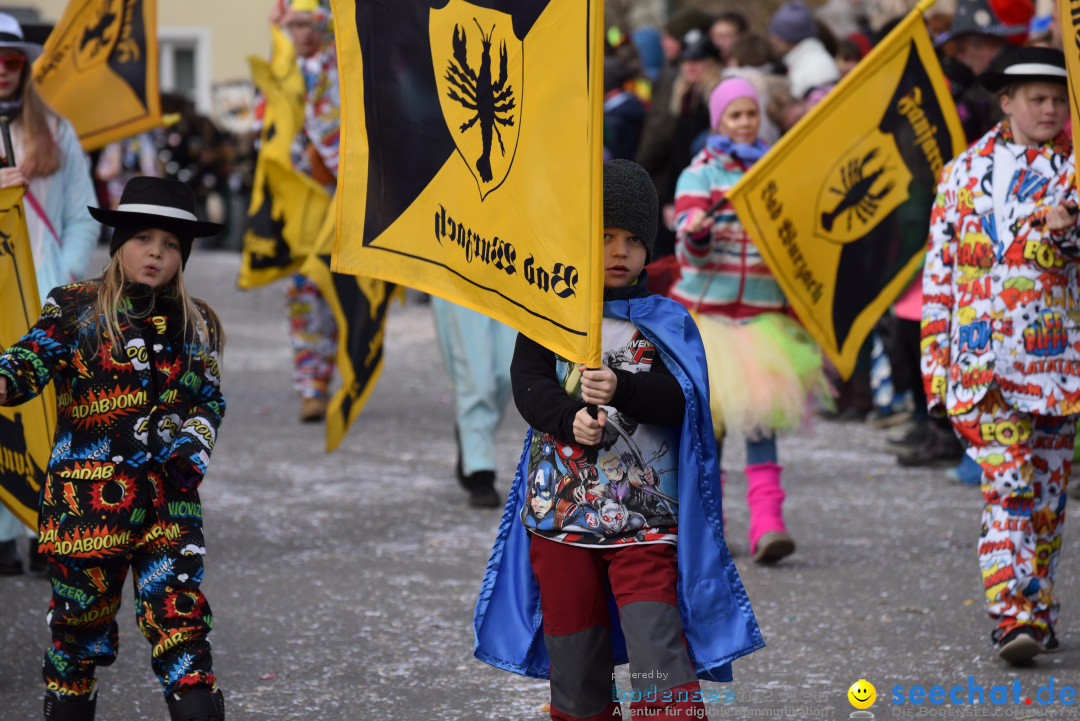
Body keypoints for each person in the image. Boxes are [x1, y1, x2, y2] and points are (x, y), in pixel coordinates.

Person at [474, 160, 762, 720]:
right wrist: (568, 418)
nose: (619, 250)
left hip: (644, 516)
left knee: (657, 648)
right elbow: (528, 386)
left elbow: (682, 403)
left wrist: (627, 388)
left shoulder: (668, 321)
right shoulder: (548, 314)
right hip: (559, 516)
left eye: (632, 238)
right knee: (576, 656)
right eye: (604, 236)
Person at [0, 176, 227, 720]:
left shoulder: (196, 325)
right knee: (78, 635)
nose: (156, 252)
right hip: (86, 512)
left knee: (183, 629)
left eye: (171, 244)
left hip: (169, 504)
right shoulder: (76, 309)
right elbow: (29, 359)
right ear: (117, 241)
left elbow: (209, 401)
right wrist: (6, 378)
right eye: (143, 237)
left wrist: (191, 449)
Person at [921, 47, 1079, 664]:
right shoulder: (960, 173)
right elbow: (940, 276)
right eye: (1037, 97)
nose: (1049, 108)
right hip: (982, 369)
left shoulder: (1074, 169)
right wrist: (935, 367)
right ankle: (1011, 614)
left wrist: (1068, 229)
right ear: (1006, 101)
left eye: (1058, 98)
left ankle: (1037, 611)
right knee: (1007, 488)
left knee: (1046, 501)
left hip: (1057, 365)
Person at [672, 78, 828, 564]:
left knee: (762, 426)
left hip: (762, 321)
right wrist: (697, 232)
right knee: (710, 432)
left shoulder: (774, 169)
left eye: (751, 114)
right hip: (710, 321)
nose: (744, 123)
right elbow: (687, 240)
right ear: (718, 120)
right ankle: (710, 528)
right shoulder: (701, 173)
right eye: (734, 115)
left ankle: (768, 525)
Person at [0, 12, 97, 576]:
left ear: (26, 66)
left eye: (12, 60)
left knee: (53, 411)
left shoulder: (57, 131)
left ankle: (47, 527)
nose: (4, 72)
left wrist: (65, 273)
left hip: (43, 290)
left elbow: (83, 215)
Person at [268, 0, 341, 422]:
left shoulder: (341, 70)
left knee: (338, 297)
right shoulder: (279, 74)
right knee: (301, 294)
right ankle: (310, 387)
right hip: (296, 208)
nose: (305, 32)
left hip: (337, 205)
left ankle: (331, 375)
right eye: (295, 24)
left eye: (312, 23)